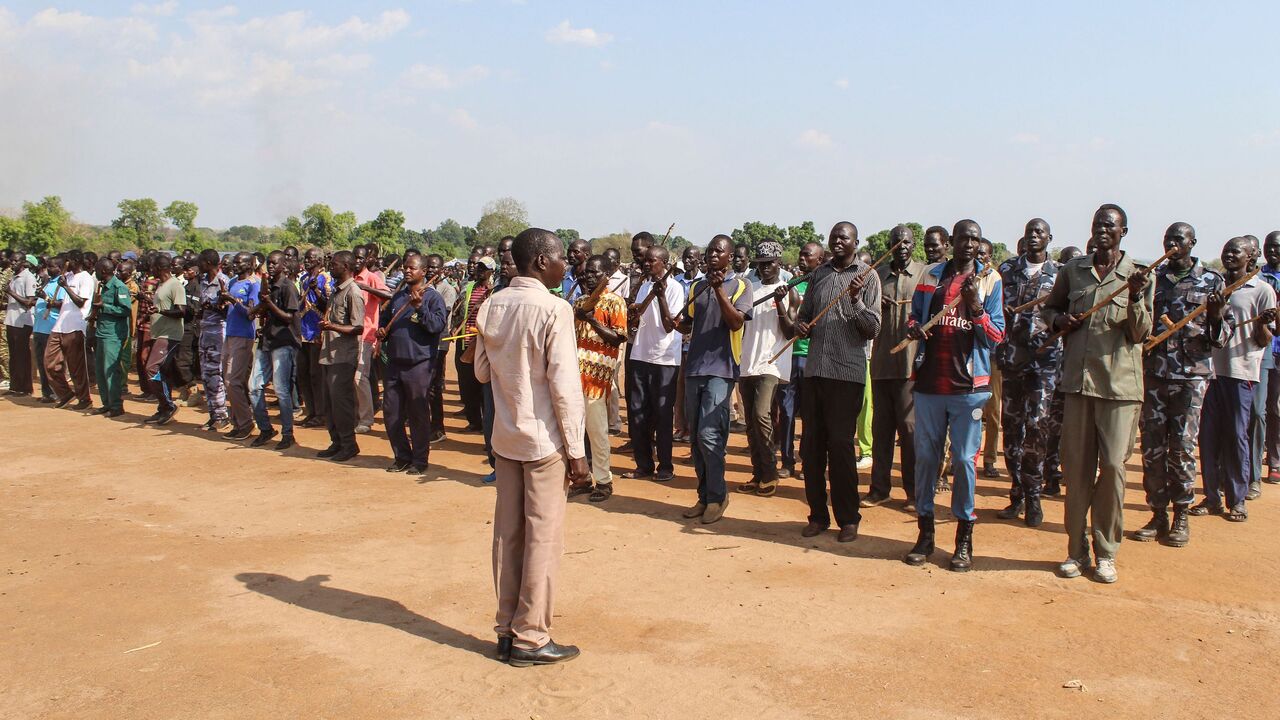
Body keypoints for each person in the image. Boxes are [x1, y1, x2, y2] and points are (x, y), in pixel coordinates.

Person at [473, 227, 588, 667]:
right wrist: (576, 452)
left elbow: (482, 373)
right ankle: (531, 636)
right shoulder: (555, 309)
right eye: (561, 258)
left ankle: (506, 629)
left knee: (508, 535)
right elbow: (564, 387)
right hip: (544, 443)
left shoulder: (492, 304)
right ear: (541, 261)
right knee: (542, 537)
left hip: (505, 437)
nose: (567, 265)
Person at [1042, 204, 1154, 584]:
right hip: (1077, 385)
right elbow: (1051, 308)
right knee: (1075, 470)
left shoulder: (1138, 276)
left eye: (1110, 225)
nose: (1102, 230)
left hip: (1119, 390)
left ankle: (1107, 552)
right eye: (1097, 224)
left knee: (1112, 469)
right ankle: (1076, 551)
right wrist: (1059, 320)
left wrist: (1136, 298)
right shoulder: (1073, 271)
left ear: (1124, 231)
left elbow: (1140, 333)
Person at [901, 220, 1004, 571]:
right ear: (952, 242)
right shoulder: (931, 275)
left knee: (962, 461)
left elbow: (995, 336)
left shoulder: (990, 281)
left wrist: (976, 307)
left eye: (975, 239)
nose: (969, 245)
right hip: (930, 384)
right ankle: (925, 535)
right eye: (963, 238)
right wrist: (914, 327)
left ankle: (963, 539)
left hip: (969, 389)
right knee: (926, 460)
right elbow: (914, 318)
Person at [1137, 223, 1228, 547]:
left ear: (1193, 243)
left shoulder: (1211, 281)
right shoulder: (1153, 280)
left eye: (1179, 239)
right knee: (1153, 448)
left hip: (1191, 378)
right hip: (1156, 375)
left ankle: (1182, 515)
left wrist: (1216, 317)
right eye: (1168, 239)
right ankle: (1158, 513)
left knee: (1183, 448)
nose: (1172, 244)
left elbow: (1222, 338)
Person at [793, 222, 882, 542]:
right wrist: (801, 326)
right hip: (815, 370)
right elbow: (804, 315)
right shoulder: (820, 275)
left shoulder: (868, 276)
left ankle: (848, 518)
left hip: (847, 374)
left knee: (842, 448)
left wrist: (856, 300)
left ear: (856, 242)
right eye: (834, 237)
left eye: (844, 237)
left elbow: (872, 328)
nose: (838, 242)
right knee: (812, 448)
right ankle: (818, 515)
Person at [1193, 237, 1276, 522]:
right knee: (1208, 437)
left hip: (1241, 372)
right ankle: (1212, 496)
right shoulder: (1214, 286)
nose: (1229, 254)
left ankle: (1237, 499)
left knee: (1236, 435)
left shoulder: (1261, 290)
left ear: (1250, 257)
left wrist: (1263, 322)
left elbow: (1265, 339)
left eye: (1235, 251)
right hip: (1210, 372)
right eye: (1226, 250)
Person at [677, 235, 754, 524]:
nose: (711, 255)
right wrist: (673, 319)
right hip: (695, 367)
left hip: (722, 369)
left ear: (730, 257)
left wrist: (720, 290)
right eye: (709, 250)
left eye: (718, 251)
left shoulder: (741, 286)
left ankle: (718, 496)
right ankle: (704, 496)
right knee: (696, 439)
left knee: (710, 437)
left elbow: (735, 322)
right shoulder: (697, 286)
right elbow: (688, 322)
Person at [993, 218, 1061, 527]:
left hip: (1044, 364)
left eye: (1040, 232)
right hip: (1012, 360)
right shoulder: (1006, 271)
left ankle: (1034, 497)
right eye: (1029, 232)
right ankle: (1016, 493)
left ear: (1049, 238)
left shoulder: (1060, 274)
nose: (1034, 236)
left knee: (1037, 428)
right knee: (1012, 430)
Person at [867, 225, 923, 510]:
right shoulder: (877, 277)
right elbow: (864, 313)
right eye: (895, 242)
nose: (900, 246)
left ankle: (913, 493)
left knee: (910, 431)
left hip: (910, 367)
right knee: (882, 430)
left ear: (914, 245)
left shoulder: (924, 274)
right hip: (881, 364)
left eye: (906, 242)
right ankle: (879, 488)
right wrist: (878, 307)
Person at [736, 240, 798, 496]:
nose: (765, 269)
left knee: (762, 415)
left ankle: (771, 472)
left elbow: (792, 331)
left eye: (769, 264)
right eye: (760, 265)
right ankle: (758, 472)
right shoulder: (750, 288)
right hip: (747, 361)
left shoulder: (789, 290)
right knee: (750, 422)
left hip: (772, 363)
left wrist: (781, 304)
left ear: (779, 264)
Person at [379, 255, 448, 475]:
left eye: (412, 268)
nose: (407, 271)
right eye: (404, 267)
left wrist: (419, 309)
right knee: (392, 413)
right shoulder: (398, 297)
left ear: (424, 270)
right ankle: (401, 457)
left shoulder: (432, 298)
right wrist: (382, 332)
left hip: (419, 364)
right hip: (394, 363)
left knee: (418, 413)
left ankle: (420, 460)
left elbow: (437, 326)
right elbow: (385, 324)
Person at [568, 255, 627, 502]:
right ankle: (581, 478)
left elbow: (618, 338)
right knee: (575, 432)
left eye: (594, 273)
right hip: (574, 376)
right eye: (586, 273)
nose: (588, 277)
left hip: (597, 378)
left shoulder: (615, 303)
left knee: (597, 432)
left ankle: (604, 481)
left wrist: (590, 318)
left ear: (605, 276)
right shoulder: (580, 301)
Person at [624, 246, 685, 482]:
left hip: (665, 359)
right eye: (645, 261)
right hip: (640, 354)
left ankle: (666, 466)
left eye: (652, 261)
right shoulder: (645, 286)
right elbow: (639, 317)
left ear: (664, 263)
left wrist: (660, 296)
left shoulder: (676, 289)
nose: (647, 264)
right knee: (638, 412)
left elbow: (670, 325)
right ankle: (644, 465)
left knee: (662, 414)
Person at [778, 241, 824, 478]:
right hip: (789, 354)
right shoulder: (790, 285)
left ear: (820, 259)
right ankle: (787, 461)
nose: (802, 259)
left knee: (810, 414)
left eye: (808, 256)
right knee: (785, 412)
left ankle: (808, 461)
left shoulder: (824, 285)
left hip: (812, 357)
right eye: (801, 255)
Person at [248, 251, 303, 451]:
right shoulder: (269, 284)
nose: (270, 266)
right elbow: (265, 309)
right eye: (268, 264)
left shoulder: (288, 287)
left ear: (283, 265)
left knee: (281, 390)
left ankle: (288, 434)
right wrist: (257, 309)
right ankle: (266, 429)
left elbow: (289, 317)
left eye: (273, 263)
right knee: (254, 386)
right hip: (267, 340)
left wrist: (269, 303)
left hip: (284, 342)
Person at [316, 251, 365, 463]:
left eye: (334, 264)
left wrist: (332, 326)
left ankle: (348, 444)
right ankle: (336, 441)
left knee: (341, 403)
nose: (331, 267)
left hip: (343, 357)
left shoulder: (353, 292)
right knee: (330, 402)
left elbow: (358, 326)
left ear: (345, 266)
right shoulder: (336, 291)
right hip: (329, 354)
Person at [46, 251, 96, 410]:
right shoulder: (67, 276)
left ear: (75, 261)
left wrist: (66, 287)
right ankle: (66, 393)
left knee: (76, 367)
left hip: (76, 326)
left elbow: (81, 302)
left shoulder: (86, 278)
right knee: (49, 363)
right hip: (59, 325)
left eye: (67, 261)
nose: (65, 264)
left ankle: (84, 399)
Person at [141, 254, 187, 425]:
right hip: (159, 333)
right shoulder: (162, 285)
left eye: (152, 267)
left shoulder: (175, 285)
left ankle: (168, 405)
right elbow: (160, 307)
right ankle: (163, 408)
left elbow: (181, 311)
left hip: (170, 335)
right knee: (162, 370)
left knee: (151, 368)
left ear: (160, 268)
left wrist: (160, 311)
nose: (150, 270)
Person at [220, 252, 260, 440]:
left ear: (251, 264)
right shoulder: (233, 281)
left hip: (244, 336)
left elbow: (251, 313)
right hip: (230, 333)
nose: (235, 265)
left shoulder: (253, 285)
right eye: (234, 262)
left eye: (239, 262)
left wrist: (231, 300)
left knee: (232, 381)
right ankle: (238, 422)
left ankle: (246, 423)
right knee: (228, 379)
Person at [452, 256, 494, 432]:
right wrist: (455, 327)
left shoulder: (495, 291)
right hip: (465, 341)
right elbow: (459, 310)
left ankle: (487, 425)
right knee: (467, 384)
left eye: (484, 268)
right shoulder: (468, 287)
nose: (480, 271)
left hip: (483, 344)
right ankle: (474, 421)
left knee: (483, 386)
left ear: (491, 271)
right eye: (479, 267)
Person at [353, 245, 390, 434]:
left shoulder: (373, 278)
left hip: (366, 335)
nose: (357, 261)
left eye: (361, 258)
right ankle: (354, 414)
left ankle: (366, 419)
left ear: (368, 259)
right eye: (355, 257)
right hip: (346, 334)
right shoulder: (347, 276)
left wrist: (367, 288)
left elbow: (389, 296)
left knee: (360, 377)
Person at [88, 258, 132, 417]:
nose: (95, 273)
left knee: (111, 371)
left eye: (97, 270)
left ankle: (116, 406)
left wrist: (104, 307)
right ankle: (106, 403)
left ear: (104, 271)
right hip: (102, 332)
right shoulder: (103, 286)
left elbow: (125, 310)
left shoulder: (118, 287)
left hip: (113, 335)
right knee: (100, 370)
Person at [194, 250, 230, 431]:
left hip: (218, 332)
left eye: (200, 261)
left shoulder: (224, 282)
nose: (197, 264)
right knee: (206, 375)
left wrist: (215, 306)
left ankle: (222, 415)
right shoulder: (203, 281)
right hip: (205, 331)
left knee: (215, 373)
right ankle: (213, 414)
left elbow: (228, 310)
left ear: (208, 262)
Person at [297, 248, 332, 428]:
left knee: (316, 374)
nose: (308, 260)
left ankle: (321, 413)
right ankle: (310, 411)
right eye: (306, 258)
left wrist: (316, 291)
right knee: (302, 373)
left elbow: (329, 304)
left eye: (311, 258)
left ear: (319, 260)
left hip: (317, 331)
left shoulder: (325, 278)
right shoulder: (303, 279)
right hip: (303, 329)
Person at [673, 245, 703, 443]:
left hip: (696, 342)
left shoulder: (704, 282)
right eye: (685, 257)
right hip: (677, 341)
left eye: (692, 257)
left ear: (699, 260)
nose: (688, 260)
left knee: (693, 390)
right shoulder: (676, 281)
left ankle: (693, 428)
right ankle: (680, 427)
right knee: (679, 388)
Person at [425, 254, 456, 443]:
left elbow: (440, 316)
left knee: (434, 387)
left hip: (439, 341)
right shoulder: (423, 288)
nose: (430, 270)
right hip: (423, 342)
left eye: (434, 267)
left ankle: (438, 428)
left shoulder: (447, 290)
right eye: (428, 266)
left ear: (441, 270)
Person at [4, 254, 37, 396]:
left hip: (22, 321)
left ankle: (25, 387)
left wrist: (10, 292)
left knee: (22, 355)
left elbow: (30, 302)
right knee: (14, 355)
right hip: (11, 320)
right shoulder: (14, 277)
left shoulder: (28, 277)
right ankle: (15, 386)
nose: (13, 263)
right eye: (12, 260)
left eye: (16, 261)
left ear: (23, 262)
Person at [1262, 230, 1280, 485]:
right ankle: (1273, 461)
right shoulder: (1258, 276)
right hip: (1267, 349)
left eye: (1277, 247)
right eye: (1269, 246)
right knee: (1270, 407)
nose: (1273, 251)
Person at [31, 260, 60, 403]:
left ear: (60, 268)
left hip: (50, 327)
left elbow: (61, 305)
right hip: (39, 327)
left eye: (52, 266)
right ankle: (46, 392)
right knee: (41, 363)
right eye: (48, 266)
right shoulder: (48, 282)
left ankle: (57, 392)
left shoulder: (60, 284)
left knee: (51, 363)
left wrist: (45, 297)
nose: (48, 269)